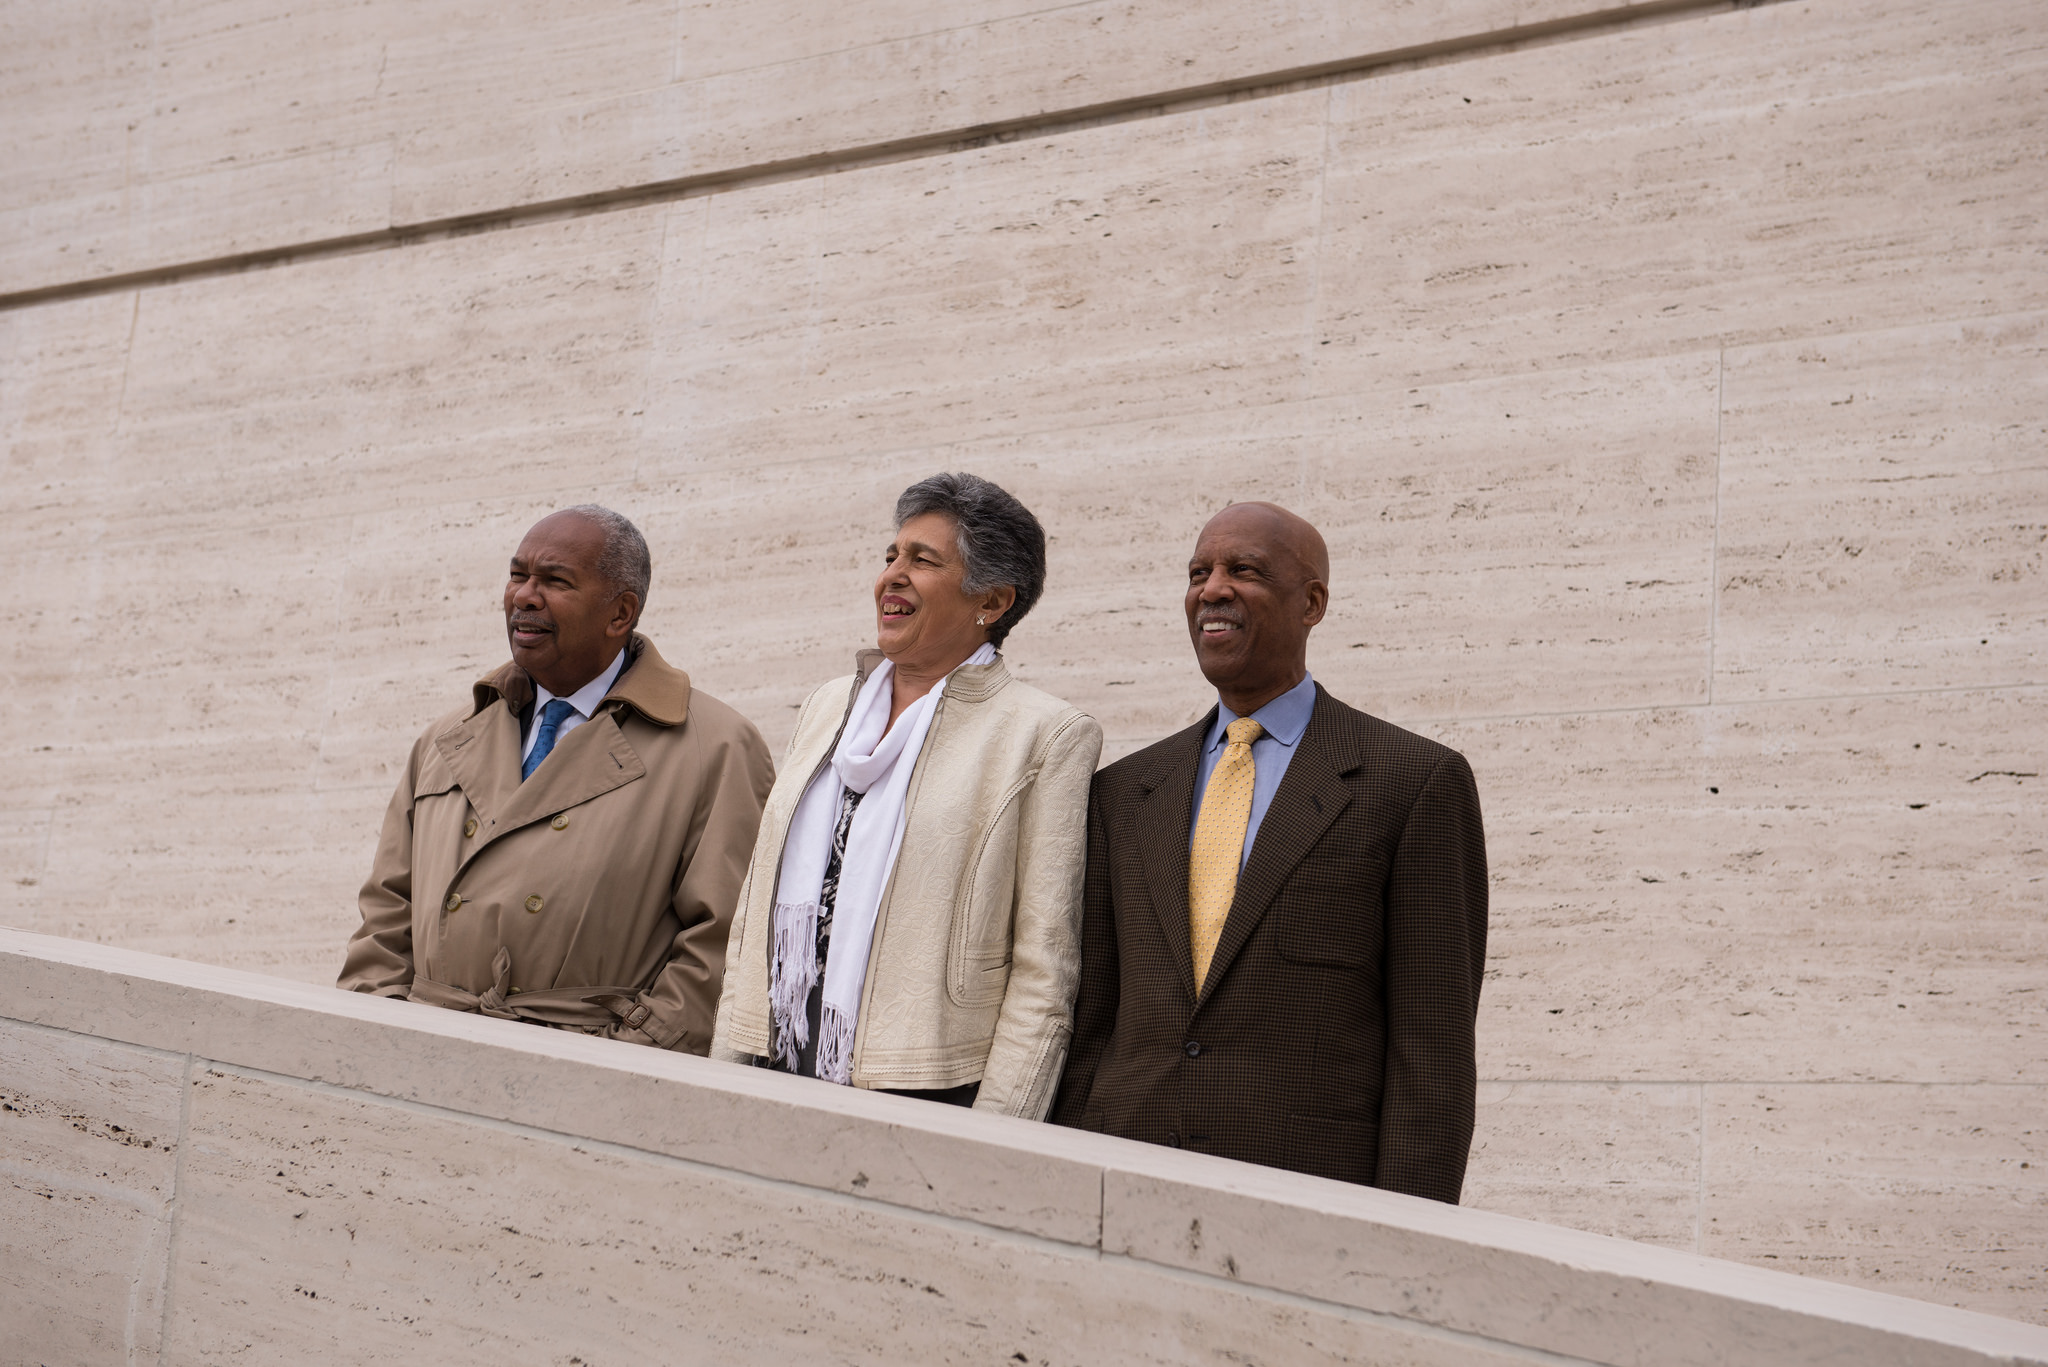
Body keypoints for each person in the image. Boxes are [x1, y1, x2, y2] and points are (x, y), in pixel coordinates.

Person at [1050, 502, 1487, 1202]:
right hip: (1121, 1183)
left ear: (1312, 601)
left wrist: (1410, 1243)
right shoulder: (1123, 792)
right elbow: (1090, 1021)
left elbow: (1430, 1053)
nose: (1211, 589)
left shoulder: (1413, 781)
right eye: (1198, 572)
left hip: (1307, 1194)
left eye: (1243, 570)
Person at [712, 473, 1101, 1116]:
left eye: (924, 560)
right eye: (892, 555)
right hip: (775, 1059)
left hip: (922, 1088)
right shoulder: (828, 706)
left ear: (994, 601)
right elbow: (755, 915)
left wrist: (997, 1135)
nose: (893, 574)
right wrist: (726, 1074)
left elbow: (1044, 971)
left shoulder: (1044, 735)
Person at [339, 505, 774, 1053]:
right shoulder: (446, 737)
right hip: (422, 1050)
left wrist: (622, 1061)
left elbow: (723, 941)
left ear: (620, 613)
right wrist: (375, 1029)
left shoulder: (716, 746)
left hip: (586, 1070)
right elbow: (387, 908)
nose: (524, 595)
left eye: (555, 581)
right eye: (518, 575)